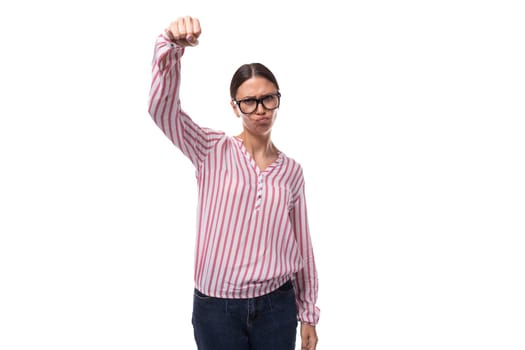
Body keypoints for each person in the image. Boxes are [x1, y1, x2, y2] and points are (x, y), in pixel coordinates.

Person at [148, 16, 320, 350]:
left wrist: (308, 313)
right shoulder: (210, 148)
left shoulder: (292, 171)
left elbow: (303, 247)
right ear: (235, 107)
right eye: (249, 102)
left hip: (277, 307)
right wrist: (170, 47)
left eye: (268, 98)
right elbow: (162, 110)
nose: (260, 110)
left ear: (278, 100)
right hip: (217, 309)